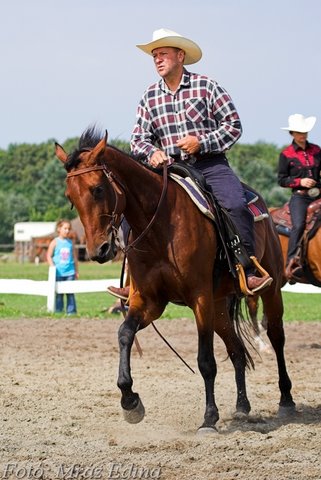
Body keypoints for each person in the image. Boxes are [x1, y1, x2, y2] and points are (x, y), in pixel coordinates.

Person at [107, 28, 272, 301]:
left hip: (209, 164)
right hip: (167, 170)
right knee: (130, 211)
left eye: (163, 54)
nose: (157, 60)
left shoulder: (207, 86)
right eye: (154, 56)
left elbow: (233, 126)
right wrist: (152, 153)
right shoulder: (149, 97)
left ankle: (246, 271)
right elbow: (138, 139)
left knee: (234, 204)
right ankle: (135, 280)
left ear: (180, 56)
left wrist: (202, 143)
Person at [278, 113, 321, 280]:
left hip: (319, 193)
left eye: (305, 132)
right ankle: (292, 262)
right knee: (299, 225)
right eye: (299, 132)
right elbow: (282, 180)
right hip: (300, 197)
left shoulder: (317, 150)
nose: (303, 135)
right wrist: (300, 181)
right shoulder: (286, 154)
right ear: (292, 134)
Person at [47, 219, 78, 314]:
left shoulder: (70, 243)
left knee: (70, 293)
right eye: (65, 228)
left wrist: (76, 271)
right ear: (59, 229)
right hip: (58, 272)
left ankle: (71, 312)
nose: (67, 231)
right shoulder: (55, 242)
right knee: (59, 293)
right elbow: (48, 255)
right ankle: (58, 311)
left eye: (69, 229)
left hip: (70, 272)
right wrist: (52, 267)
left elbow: (75, 258)